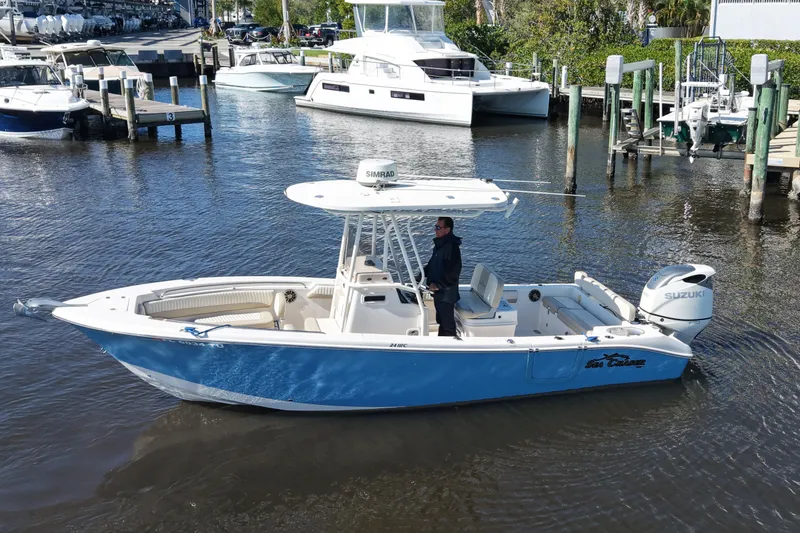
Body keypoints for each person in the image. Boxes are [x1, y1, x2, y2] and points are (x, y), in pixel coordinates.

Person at [421, 217, 462, 337]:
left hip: (446, 295)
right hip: (439, 293)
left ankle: (450, 344)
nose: (435, 230)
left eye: (438, 227)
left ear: (447, 230)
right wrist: (420, 275)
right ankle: (442, 341)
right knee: (441, 321)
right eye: (435, 227)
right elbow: (432, 264)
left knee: (447, 325)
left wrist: (438, 285)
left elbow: (454, 272)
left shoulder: (452, 248)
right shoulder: (440, 245)